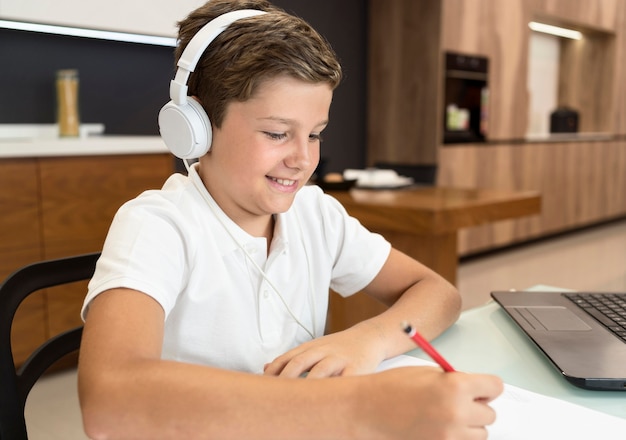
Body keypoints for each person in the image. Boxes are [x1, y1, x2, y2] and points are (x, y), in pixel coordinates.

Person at [78, 0, 503, 438]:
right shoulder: (157, 226)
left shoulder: (316, 215)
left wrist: (368, 338)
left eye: (315, 133)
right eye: (278, 133)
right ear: (197, 124)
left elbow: (438, 293)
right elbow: (108, 400)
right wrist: (359, 408)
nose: (303, 159)